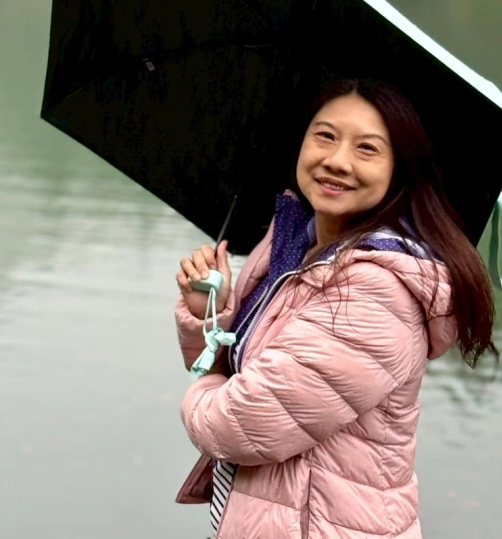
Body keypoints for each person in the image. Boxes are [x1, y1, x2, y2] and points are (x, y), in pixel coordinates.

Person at [174, 78, 497, 539]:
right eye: (325, 135)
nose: (337, 161)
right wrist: (211, 312)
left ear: (399, 170)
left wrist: (200, 394)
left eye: (367, 149)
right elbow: (253, 371)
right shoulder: (292, 247)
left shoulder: (379, 291)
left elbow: (242, 424)